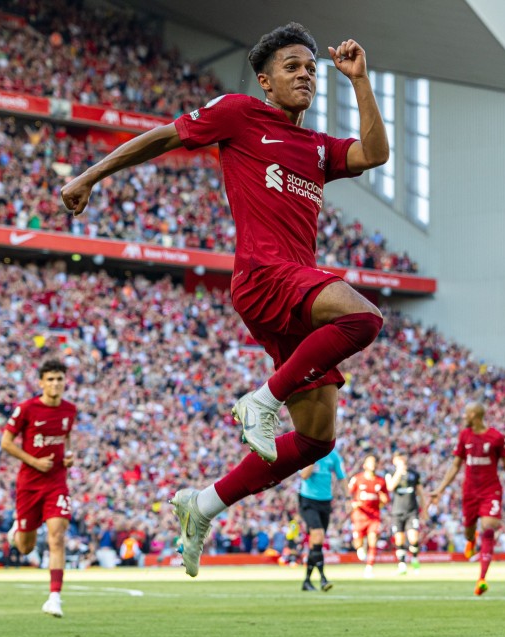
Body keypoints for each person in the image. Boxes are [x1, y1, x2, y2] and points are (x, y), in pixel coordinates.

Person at [61, 22, 389, 578]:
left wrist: (359, 82)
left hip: (295, 291)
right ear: (265, 81)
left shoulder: (316, 148)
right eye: (292, 67)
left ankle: (203, 504)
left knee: (316, 440)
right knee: (364, 316)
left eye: (311, 68)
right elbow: (165, 137)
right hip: (265, 276)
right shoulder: (239, 113)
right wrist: (91, 175)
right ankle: (260, 400)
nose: (306, 74)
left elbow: (375, 154)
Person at [1, 358, 78, 617]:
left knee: (57, 536)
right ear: (41, 383)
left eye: (59, 379)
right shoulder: (26, 408)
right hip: (29, 484)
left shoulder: (70, 410)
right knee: (25, 547)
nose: (56, 383)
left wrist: (69, 456)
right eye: (51, 379)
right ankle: (17, 530)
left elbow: (66, 439)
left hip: (56, 482)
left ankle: (54, 597)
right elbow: (6, 442)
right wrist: (34, 461)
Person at [431, 403, 505, 596]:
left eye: (466, 414)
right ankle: (471, 540)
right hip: (469, 492)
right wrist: (440, 489)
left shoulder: (495, 437)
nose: (463, 417)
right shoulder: (464, 436)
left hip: (490, 490)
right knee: (469, 531)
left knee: (489, 526)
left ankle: (482, 578)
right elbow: (455, 465)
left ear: (475, 415)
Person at [298, 446, 348, 591]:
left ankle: (307, 581)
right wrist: (313, 456)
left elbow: (342, 477)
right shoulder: (307, 453)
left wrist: (348, 499)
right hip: (308, 500)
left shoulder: (333, 455)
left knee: (316, 543)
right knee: (318, 536)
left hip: (325, 501)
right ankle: (323, 578)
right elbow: (304, 475)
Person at [348, 454, 390, 578]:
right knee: (358, 543)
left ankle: (369, 567)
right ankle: (360, 548)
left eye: (374, 462)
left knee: (373, 540)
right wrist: (353, 504)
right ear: (364, 465)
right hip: (359, 516)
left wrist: (384, 500)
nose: (373, 464)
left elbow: (385, 499)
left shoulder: (381, 481)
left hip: (374, 516)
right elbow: (348, 495)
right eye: (370, 462)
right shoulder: (357, 479)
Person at [386, 451, 425, 575]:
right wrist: (399, 471)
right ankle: (402, 565)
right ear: (394, 461)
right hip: (397, 511)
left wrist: (424, 509)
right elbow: (390, 487)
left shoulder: (414, 474)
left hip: (412, 511)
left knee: (413, 538)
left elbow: (420, 493)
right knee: (399, 539)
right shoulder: (390, 474)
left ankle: (414, 559)